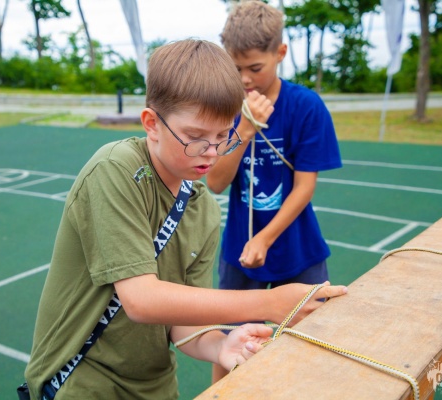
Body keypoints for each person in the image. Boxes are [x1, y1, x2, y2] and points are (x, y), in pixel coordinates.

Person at [23, 39, 347, 400]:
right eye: (195, 137)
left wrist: (220, 346)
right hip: (82, 383)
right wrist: (269, 303)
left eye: (223, 136)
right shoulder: (115, 170)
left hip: (156, 387)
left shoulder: (203, 208)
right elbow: (141, 300)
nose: (211, 153)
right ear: (152, 124)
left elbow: (183, 325)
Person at [206, 0, 343, 383]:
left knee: (311, 338)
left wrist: (265, 238)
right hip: (240, 247)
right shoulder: (227, 107)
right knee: (231, 340)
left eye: (254, 68)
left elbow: (304, 186)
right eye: (235, 68)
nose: (244, 79)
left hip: (298, 247)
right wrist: (244, 129)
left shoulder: (305, 106)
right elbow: (215, 182)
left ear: (280, 53)